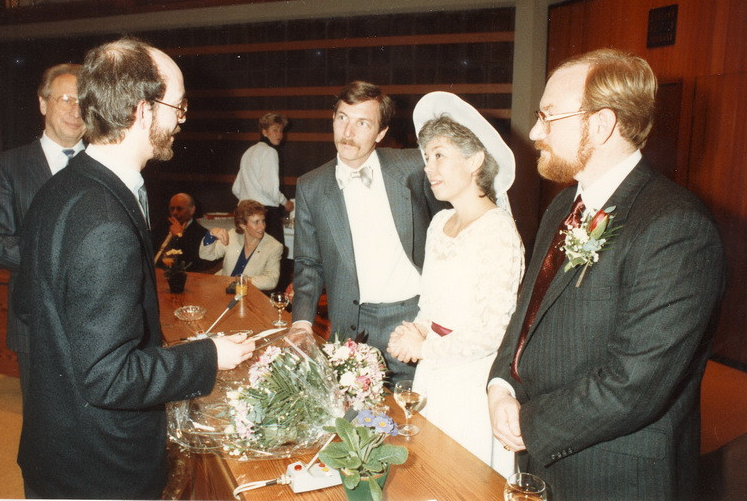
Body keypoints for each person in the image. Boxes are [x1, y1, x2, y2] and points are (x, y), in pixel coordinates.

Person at [11, 38, 255, 499]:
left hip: (56, 446)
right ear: (144, 111)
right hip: (101, 467)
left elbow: (30, 306)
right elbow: (107, 376)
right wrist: (209, 357)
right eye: (178, 107)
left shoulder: (60, 186)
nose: (181, 120)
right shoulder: (104, 220)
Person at [488, 49, 725, 500]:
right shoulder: (563, 204)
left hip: (614, 475)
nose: (536, 131)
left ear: (601, 125)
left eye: (549, 116)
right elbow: (529, 313)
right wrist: (501, 384)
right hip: (543, 454)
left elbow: (633, 384)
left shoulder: (677, 227)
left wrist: (528, 423)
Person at [386, 92, 524, 476]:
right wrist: (414, 329)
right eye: (426, 157)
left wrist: (425, 346)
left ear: (476, 160)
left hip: (472, 381)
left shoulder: (498, 231)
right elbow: (430, 305)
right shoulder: (437, 224)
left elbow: (494, 333)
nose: (429, 168)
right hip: (433, 375)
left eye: (440, 155)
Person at [291, 81, 446, 383]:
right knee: (354, 420)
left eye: (363, 123)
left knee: (413, 417)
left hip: (413, 321)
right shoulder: (311, 186)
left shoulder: (415, 167)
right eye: (342, 119)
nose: (348, 133)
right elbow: (308, 264)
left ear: (381, 133)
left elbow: (450, 226)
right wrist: (301, 322)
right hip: (351, 326)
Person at [0, 63, 86, 398]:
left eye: (83, 101)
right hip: (35, 320)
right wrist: (54, 258)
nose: (75, 109)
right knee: (46, 429)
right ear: (43, 103)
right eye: (65, 99)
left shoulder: (107, 166)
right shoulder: (8, 166)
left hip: (95, 321)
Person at [232, 112, 293, 246]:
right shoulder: (270, 152)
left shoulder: (248, 152)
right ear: (264, 132)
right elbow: (269, 188)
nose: (279, 135)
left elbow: (236, 189)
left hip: (245, 214)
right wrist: (285, 202)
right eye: (274, 130)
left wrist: (249, 201)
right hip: (265, 214)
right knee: (272, 259)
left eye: (281, 131)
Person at [199, 199, 283, 291]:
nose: (262, 226)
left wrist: (243, 281)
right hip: (221, 289)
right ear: (243, 225)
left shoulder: (274, 246)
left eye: (263, 221)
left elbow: (271, 280)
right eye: (256, 222)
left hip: (248, 294)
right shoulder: (232, 236)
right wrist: (211, 235)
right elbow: (206, 255)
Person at [154, 192, 215, 272]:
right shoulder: (162, 225)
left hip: (173, 275)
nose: (174, 212)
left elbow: (189, 264)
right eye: (172, 209)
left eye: (179, 209)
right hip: (151, 270)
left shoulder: (201, 233)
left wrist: (178, 236)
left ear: (192, 210)